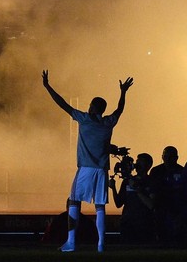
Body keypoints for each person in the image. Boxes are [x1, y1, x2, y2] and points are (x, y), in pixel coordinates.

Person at [42, 69, 134, 253]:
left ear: (92, 107)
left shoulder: (84, 119)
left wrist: (47, 86)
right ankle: (101, 244)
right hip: (102, 170)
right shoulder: (109, 122)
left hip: (85, 169)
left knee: (74, 201)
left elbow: (62, 104)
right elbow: (120, 109)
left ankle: (71, 242)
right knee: (100, 206)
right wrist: (123, 92)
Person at [110, 152, 156, 245]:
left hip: (144, 224)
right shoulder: (127, 181)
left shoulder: (152, 182)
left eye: (141, 162)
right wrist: (113, 188)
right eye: (137, 161)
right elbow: (119, 203)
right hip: (128, 223)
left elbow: (151, 205)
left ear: (148, 165)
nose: (137, 164)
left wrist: (137, 190)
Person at [149, 145, 187, 246]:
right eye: (166, 156)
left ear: (176, 158)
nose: (167, 159)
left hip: (177, 208)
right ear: (162, 157)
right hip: (162, 208)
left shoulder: (182, 171)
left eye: (170, 156)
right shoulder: (156, 171)